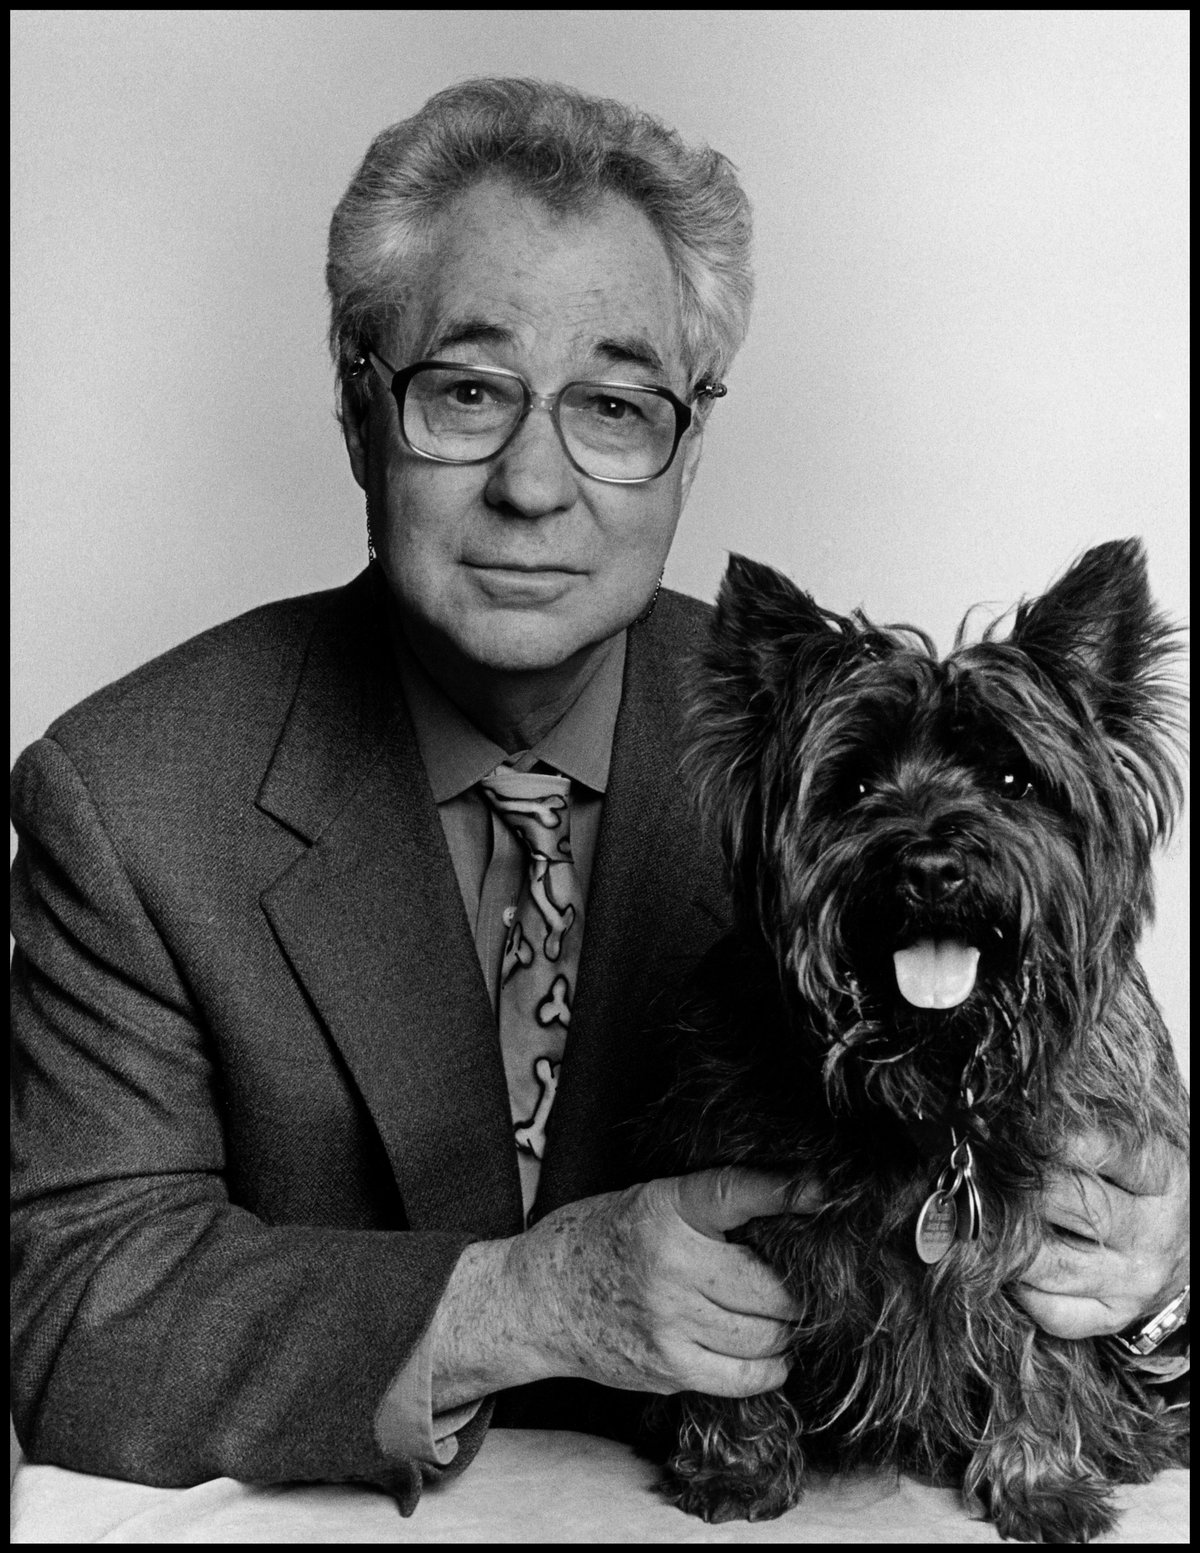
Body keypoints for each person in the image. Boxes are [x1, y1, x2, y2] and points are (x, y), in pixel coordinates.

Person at [10, 78, 1188, 1516]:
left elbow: (1105, 1075)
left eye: (616, 407)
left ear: (688, 446)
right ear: (354, 410)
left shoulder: (824, 755)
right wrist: (517, 1300)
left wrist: (1156, 1236)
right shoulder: (132, 795)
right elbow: (72, 1306)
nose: (533, 481)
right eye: (465, 389)